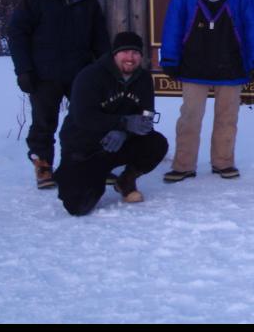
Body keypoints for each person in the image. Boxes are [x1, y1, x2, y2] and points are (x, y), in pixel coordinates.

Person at [160, 0, 254, 183]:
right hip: (194, 59)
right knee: (190, 116)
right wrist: (171, 58)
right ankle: (183, 164)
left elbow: (253, 22)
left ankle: (223, 162)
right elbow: (174, 20)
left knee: (227, 117)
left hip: (230, 59)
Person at [7, 0, 110, 189]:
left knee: (85, 119)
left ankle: (83, 161)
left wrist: (106, 69)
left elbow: (100, 38)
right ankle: (43, 165)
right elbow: (17, 33)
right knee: (44, 122)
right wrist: (23, 69)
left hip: (80, 71)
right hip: (44, 72)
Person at [53, 31, 168, 216]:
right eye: (125, 52)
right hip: (84, 145)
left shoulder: (144, 79)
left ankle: (125, 180)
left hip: (119, 142)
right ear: (115, 53)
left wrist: (129, 129)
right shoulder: (90, 76)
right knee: (78, 206)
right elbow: (83, 117)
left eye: (136, 53)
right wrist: (122, 123)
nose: (131, 57)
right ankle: (75, 172)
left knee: (156, 143)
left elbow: (146, 114)